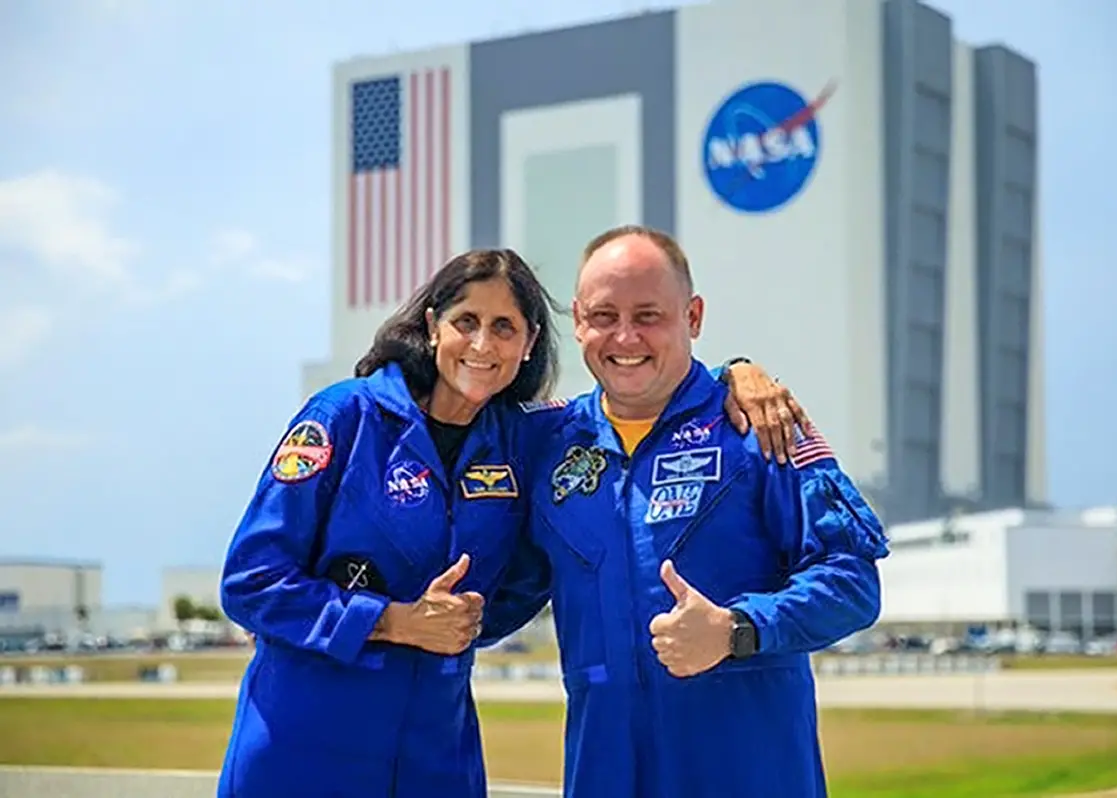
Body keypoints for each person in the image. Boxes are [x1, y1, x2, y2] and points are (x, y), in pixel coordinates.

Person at [217, 246, 806, 798]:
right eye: (466, 321)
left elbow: (650, 395)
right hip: (305, 740)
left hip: (436, 754)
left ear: (528, 345)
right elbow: (251, 582)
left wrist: (738, 372)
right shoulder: (346, 417)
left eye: (505, 327)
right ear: (431, 327)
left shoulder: (530, 438)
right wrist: (394, 622)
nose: (482, 343)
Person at [482, 226, 891, 798]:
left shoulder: (760, 428)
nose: (625, 337)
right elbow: (504, 590)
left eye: (649, 315)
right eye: (604, 315)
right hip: (605, 773)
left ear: (693, 317)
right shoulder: (546, 442)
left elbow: (853, 582)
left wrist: (736, 629)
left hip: (750, 774)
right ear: (577, 320)